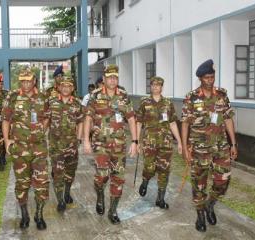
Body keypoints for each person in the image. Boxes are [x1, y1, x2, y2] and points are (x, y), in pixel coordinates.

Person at [181, 59, 238, 232]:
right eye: (207, 77)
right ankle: (200, 215)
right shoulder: (191, 97)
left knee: (223, 180)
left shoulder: (221, 94)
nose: (210, 80)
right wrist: (184, 148)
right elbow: (185, 123)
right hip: (199, 149)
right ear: (200, 78)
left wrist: (233, 143)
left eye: (212, 76)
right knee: (199, 184)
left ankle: (210, 204)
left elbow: (228, 118)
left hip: (220, 147)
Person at [83, 64, 138, 224]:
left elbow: (132, 119)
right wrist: (86, 140)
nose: (112, 80)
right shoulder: (95, 96)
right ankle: (100, 195)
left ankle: (112, 211)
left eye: (115, 77)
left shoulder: (124, 97)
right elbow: (87, 118)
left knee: (118, 178)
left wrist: (135, 141)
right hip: (101, 145)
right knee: (101, 176)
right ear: (105, 79)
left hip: (119, 145)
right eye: (109, 77)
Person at [2, 69, 50, 230]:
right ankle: (24, 214)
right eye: (23, 80)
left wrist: (41, 129)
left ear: (34, 80)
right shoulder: (13, 97)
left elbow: (46, 117)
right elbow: (6, 119)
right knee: (22, 184)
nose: (26, 83)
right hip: (20, 149)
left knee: (41, 183)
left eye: (29, 80)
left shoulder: (43, 97)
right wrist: (7, 140)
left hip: (39, 149)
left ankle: (39, 213)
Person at [136, 76, 182, 209]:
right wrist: (137, 141)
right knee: (149, 168)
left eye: (158, 85)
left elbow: (172, 123)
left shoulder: (168, 103)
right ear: (150, 87)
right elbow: (139, 122)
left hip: (165, 143)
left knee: (164, 170)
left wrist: (178, 141)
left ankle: (160, 199)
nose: (156, 87)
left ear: (162, 87)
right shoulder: (144, 102)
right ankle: (145, 180)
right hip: (149, 142)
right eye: (153, 85)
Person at [48, 76, 84, 212]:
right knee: (57, 174)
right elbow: (46, 121)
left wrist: (79, 138)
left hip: (72, 145)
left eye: (68, 86)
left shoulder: (77, 104)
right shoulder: (51, 102)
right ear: (59, 87)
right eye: (63, 85)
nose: (65, 88)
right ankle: (60, 200)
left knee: (70, 172)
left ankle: (67, 192)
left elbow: (80, 121)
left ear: (72, 88)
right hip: (55, 147)